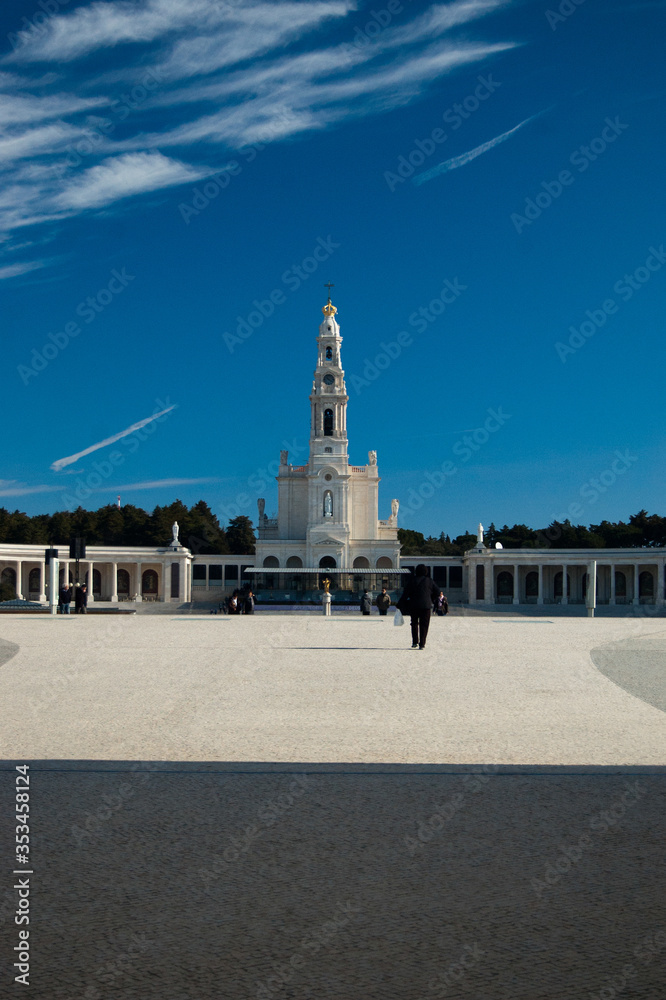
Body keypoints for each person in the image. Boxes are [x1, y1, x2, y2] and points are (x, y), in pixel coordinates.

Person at [396, 564, 439, 649]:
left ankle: (415, 642)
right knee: (424, 625)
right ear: (426, 571)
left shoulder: (412, 580)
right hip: (426, 606)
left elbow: (405, 594)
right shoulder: (429, 581)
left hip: (414, 605)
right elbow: (437, 592)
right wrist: (431, 599)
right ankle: (422, 643)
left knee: (414, 623)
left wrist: (400, 604)